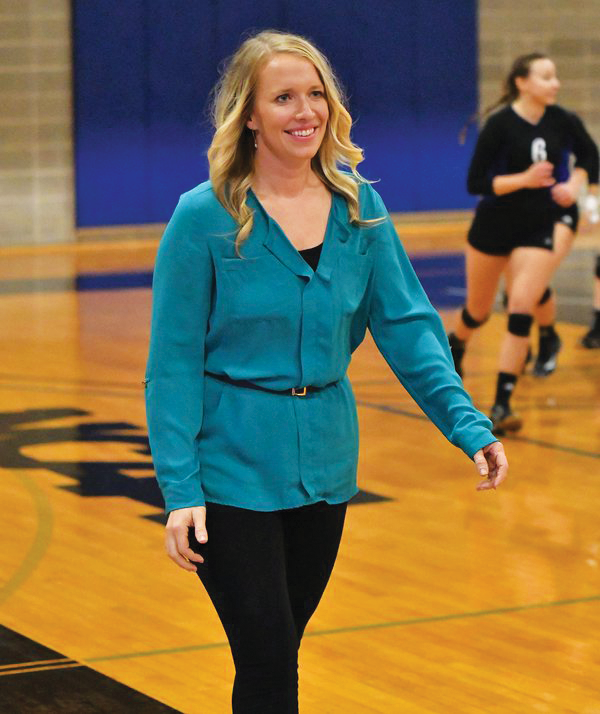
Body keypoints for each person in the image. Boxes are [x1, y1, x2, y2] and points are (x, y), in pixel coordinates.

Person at [145, 30, 508, 714]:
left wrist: (469, 425)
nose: (304, 110)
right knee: (268, 651)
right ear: (249, 114)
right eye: (283, 97)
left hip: (326, 464)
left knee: (279, 649)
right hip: (230, 469)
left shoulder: (359, 208)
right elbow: (171, 366)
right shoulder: (203, 217)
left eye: (315, 95)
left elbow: (409, 330)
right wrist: (179, 487)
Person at [447, 52, 599, 434]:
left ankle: (502, 403)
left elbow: (590, 157)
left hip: (539, 224)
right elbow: (476, 183)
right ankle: (457, 344)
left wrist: (574, 185)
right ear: (522, 82)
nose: (556, 84)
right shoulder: (500, 125)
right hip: (495, 224)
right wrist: (524, 179)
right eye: (546, 77)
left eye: (556, 76)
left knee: (519, 306)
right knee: (478, 311)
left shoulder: (561, 119)